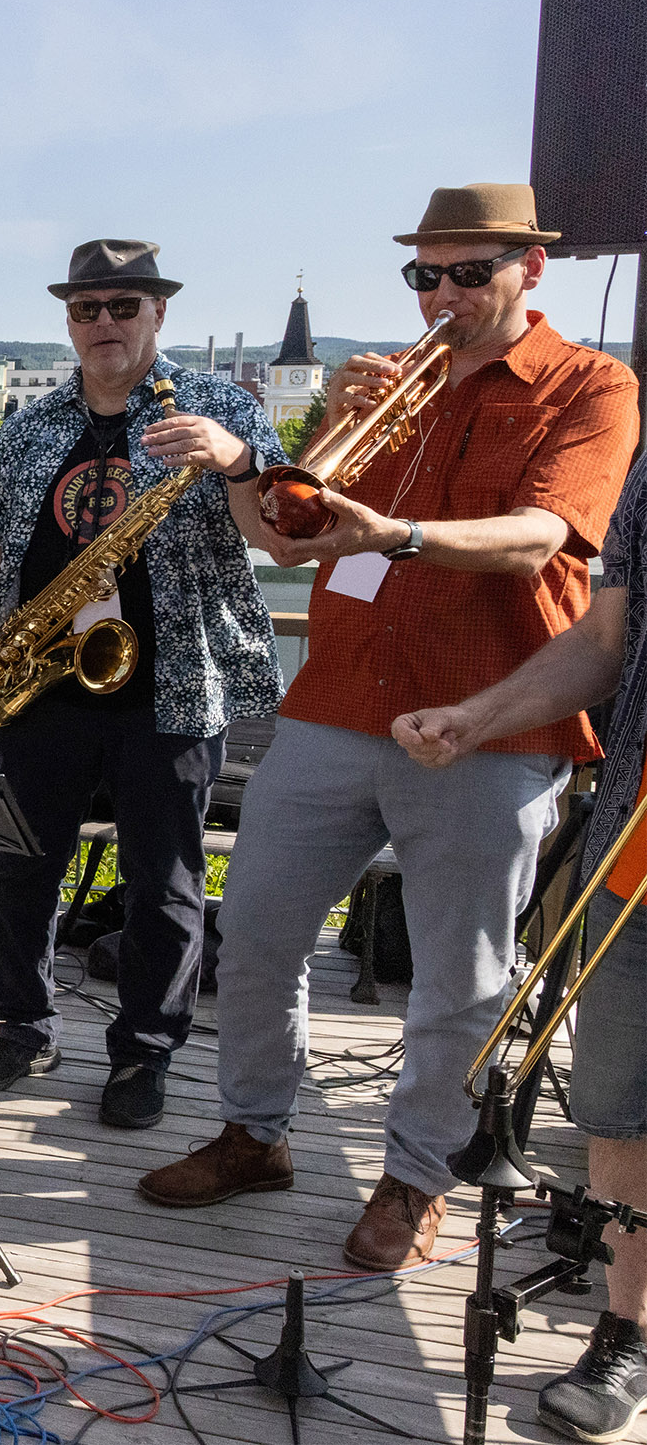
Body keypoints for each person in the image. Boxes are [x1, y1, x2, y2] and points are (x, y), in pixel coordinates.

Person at [140, 186, 638, 1271]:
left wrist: (402, 533)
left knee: (457, 973)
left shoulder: (591, 383)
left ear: (529, 269)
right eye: (424, 275)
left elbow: (542, 535)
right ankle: (254, 1131)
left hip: (488, 714)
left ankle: (416, 1179)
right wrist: (303, 440)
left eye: (469, 273)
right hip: (337, 698)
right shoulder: (387, 385)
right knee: (258, 931)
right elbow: (291, 540)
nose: (442, 297)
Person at [0, 241, 283, 1131]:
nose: (104, 324)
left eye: (123, 306)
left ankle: (144, 1050)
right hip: (48, 679)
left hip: (171, 685)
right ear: (68, 320)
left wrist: (236, 458)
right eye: (86, 309)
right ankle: (22, 1024)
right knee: (21, 864)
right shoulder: (32, 423)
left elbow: (276, 529)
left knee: (162, 879)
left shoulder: (218, 409)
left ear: (159, 313)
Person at [390, 451, 647, 1442]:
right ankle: (625, 1327)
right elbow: (604, 640)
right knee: (619, 1100)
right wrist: (478, 714)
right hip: (636, 829)